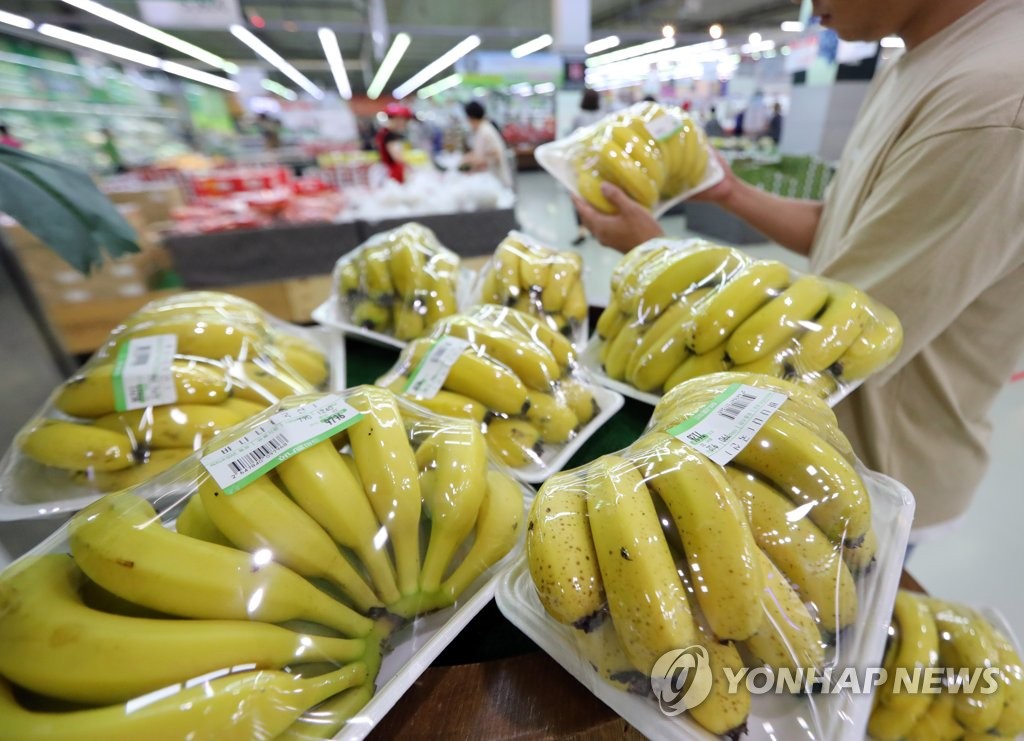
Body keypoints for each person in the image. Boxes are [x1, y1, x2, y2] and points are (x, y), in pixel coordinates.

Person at [573, 0, 1024, 541]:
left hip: (873, 471)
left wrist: (656, 255)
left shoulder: (993, 98)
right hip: (812, 446)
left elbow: (837, 335)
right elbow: (836, 228)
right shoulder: (913, 61)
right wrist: (729, 192)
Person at [570, 89, 604, 244]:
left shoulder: (578, 117)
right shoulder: (603, 116)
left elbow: (572, 140)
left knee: (579, 195)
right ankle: (596, 227)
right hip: (599, 162)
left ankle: (582, 229)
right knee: (596, 195)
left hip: (581, 161)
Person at [461, 100, 512, 188]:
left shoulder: (485, 132)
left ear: (471, 117)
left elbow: (494, 156)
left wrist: (469, 165)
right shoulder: (483, 129)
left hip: (497, 181)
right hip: (492, 180)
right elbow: (481, 153)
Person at [375, 103, 415, 183]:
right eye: (403, 120)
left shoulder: (384, 133)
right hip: (393, 171)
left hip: (388, 170)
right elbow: (398, 158)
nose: (404, 124)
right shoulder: (391, 135)